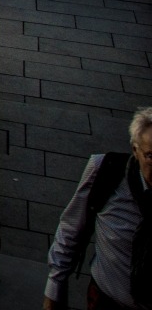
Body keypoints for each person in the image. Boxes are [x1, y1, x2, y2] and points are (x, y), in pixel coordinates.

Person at [45, 106, 152, 310]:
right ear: (135, 151)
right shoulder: (106, 171)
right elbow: (70, 230)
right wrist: (53, 292)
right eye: (151, 156)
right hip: (106, 302)